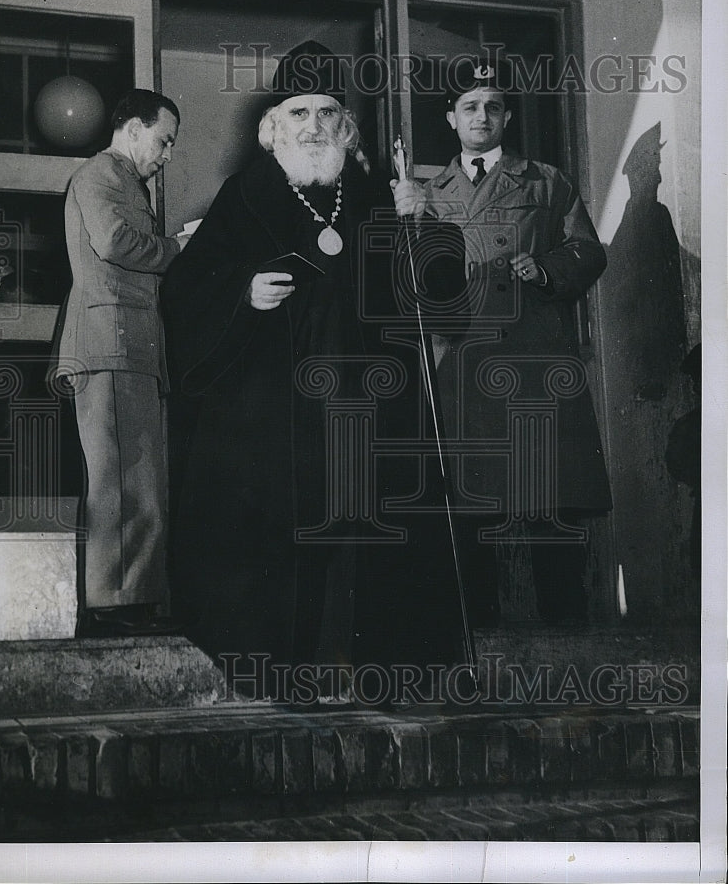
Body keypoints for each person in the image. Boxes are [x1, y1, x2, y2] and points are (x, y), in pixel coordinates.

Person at [162, 41, 467, 698]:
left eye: (325, 113)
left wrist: (423, 222)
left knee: (373, 537)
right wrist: (241, 291)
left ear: (342, 127)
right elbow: (186, 287)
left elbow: (437, 298)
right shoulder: (243, 195)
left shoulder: (371, 197)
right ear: (274, 125)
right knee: (281, 535)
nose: (311, 125)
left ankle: (385, 675)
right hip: (274, 409)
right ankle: (283, 673)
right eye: (297, 111)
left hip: (367, 403)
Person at [392, 56, 612, 625]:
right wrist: (410, 220)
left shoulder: (545, 179)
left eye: (492, 106)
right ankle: (482, 649)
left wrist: (546, 270)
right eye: (470, 107)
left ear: (506, 115)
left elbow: (588, 250)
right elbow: (406, 283)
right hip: (461, 366)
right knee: (472, 512)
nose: (481, 116)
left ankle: (569, 650)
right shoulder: (426, 193)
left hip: (533, 363)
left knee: (550, 512)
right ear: (451, 119)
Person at [54, 88, 190, 637]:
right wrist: (179, 248)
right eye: (164, 140)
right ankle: (113, 603)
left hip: (131, 348)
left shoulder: (127, 181)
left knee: (140, 480)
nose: (167, 154)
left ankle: (133, 598)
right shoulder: (101, 173)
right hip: (109, 347)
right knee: (117, 481)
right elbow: (113, 242)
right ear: (133, 128)